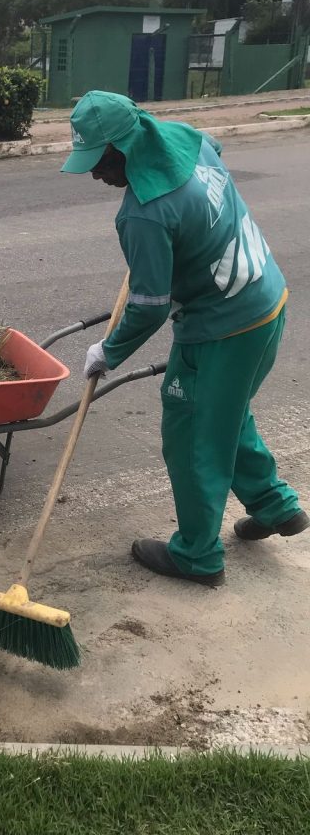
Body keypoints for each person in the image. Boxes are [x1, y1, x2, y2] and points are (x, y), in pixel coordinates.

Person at [62, 90, 307, 587]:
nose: (94, 174)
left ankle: (197, 555)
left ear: (124, 148)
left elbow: (150, 307)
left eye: (99, 161)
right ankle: (275, 506)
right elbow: (216, 150)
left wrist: (107, 352)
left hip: (223, 329)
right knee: (225, 414)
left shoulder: (142, 214)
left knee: (194, 434)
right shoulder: (182, 136)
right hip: (267, 299)